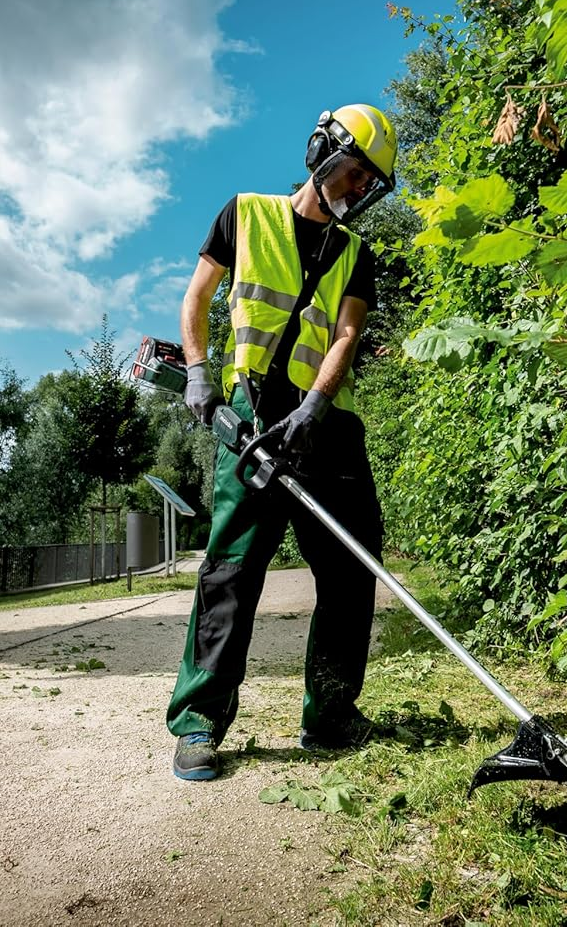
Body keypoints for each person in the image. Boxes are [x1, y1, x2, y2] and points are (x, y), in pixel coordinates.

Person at [166, 103, 398, 781]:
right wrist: (199, 372)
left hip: (327, 424)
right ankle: (200, 721)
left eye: (368, 183)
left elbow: (347, 334)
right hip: (252, 413)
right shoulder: (244, 214)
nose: (357, 188)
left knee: (351, 567)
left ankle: (331, 715)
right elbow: (198, 296)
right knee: (232, 569)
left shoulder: (356, 253)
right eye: (353, 171)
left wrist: (317, 406)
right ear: (321, 152)